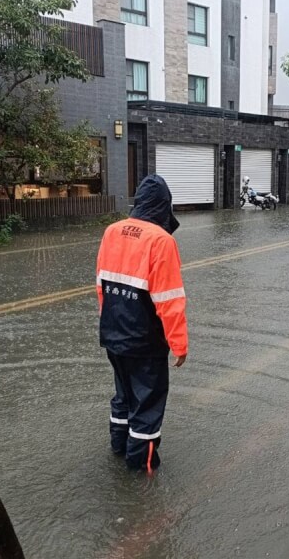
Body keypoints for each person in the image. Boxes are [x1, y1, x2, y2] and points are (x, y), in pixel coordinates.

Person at [96, 174, 188, 474]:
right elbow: (170, 300)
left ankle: (118, 447)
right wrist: (179, 345)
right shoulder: (162, 241)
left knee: (123, 396)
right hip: (145, 341)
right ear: (164, 206)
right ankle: (141, 469)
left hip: (113, 334)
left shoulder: (112, 232)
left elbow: (102, 286)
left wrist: (108, 324)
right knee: (147, 404)